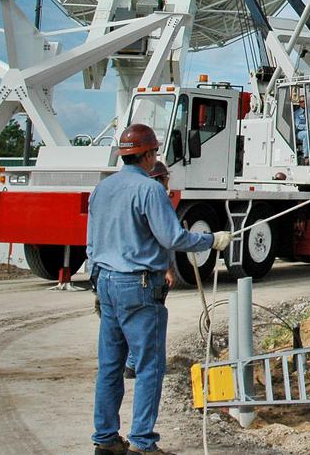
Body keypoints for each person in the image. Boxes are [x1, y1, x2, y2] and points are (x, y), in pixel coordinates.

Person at [87, 123, 231, 455]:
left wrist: (98, 280)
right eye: (154, 153)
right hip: (138, 285)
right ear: (149, 154)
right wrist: (212, 239)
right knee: (150, 366)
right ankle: (142, 443)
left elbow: (91, 243)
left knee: (110, 365)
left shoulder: (103, 189)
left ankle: (106, 439)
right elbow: (173, 238)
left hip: (107, 282)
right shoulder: (150, 190)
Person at [124, 161, 178, 381]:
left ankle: (130, 363)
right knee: (148, 323)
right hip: (147, 275)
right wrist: (168, 269)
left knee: (130, 322)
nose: (167, 183)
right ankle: (137, 364)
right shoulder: (156, 199)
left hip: (123, 274)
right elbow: (166, 239)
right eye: (165, 178)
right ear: (158, 179)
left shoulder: (134, 197)